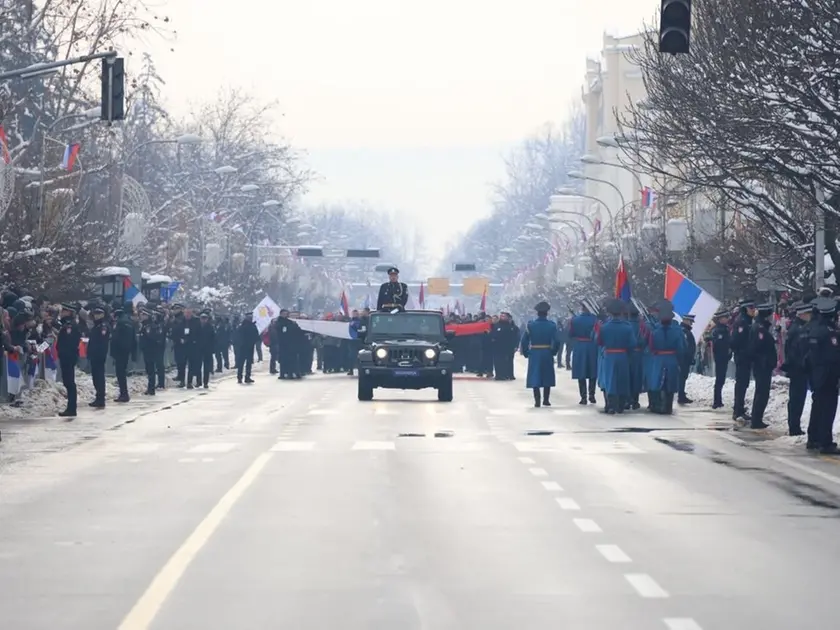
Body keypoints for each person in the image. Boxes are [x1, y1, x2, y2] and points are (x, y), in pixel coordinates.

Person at [595, 299, 635, 414]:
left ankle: (611, 405)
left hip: (609, 355)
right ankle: (621, 405)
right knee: (622, 380)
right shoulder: (627, 327)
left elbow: (599, 342)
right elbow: (632, 343)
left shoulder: (604, 327)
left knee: (609, 380)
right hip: (622, 355)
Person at [646, 300, 685, 415]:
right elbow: (681, 348)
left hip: (658, 358)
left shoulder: (655, 331)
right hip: (672, 358)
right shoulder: (677, 331)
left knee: (658, 382)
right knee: (670, 383)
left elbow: (651, 346)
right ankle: (668, 406)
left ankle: (658, 405)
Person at [519, 301, 559, 408]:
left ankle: (537, 401)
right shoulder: (552, 325)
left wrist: (527, 353)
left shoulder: (531, 325)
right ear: (547, 313)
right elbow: (557, 341)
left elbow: (524, 341)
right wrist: (553, 352)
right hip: (547, 352)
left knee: (535, 375)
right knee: (547, 375)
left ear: (537, 313)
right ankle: (546, 400)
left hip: (535, 352)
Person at [781, 301, 812, 436]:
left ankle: (795, 426)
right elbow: (795, 351)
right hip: (797, 369)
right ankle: (794, 427)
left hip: (798, 368)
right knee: (796, 398)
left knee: (798, 398)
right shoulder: (798, 329)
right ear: (803, 314)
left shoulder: (799, 327)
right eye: (809, 313)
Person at [569, 302, 598, 405]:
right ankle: (592, 395)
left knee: (581, 373)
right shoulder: (595, 319)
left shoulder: (574, 320)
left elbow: (571, 334)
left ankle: (583, 397)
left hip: (580, 346)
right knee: (592, 372)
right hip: (592, 346)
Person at [57, 303, 82, 418]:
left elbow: (70, 342)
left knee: (69, 382)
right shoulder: (67, 324)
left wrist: (64, 353)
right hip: (67, 356)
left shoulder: (69, 326)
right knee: (68, 382)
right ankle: (71, 407)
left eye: (64, 311)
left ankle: (72, 408)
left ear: (69, 312)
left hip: (68, 356)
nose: (61, 312)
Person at [87, 305, 111, 408]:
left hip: (99, 355)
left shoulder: (103, 326)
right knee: (96, 377)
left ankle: (100, 398)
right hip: (94, 354)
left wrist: (96, 352)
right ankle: (98, 397)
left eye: (98, 314)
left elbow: (101, 341)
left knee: (99, 377)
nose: (96, 316)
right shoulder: (96, 326)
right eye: (95, 314)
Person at [709, 309, 731, 409]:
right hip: (720, 357)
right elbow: (718, 345)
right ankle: (716, 400)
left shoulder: (725, 329)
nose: (727, 319)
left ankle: (719, 400)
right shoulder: (718, 330)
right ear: (720, 319)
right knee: (719, 379)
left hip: (724, 357)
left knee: (721, 379)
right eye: (725, 318)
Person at [236, 312, 260, 384]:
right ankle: (240, 377)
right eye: (249, 317)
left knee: (248, 363)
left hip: (250, 346)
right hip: (243, 347)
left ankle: (247, 377)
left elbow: (256, 335)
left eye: (251, 317)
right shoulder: (242, 326)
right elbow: (238, 336)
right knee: (241, 363)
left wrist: (255, 340)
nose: (250, 318)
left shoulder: (253, 326)